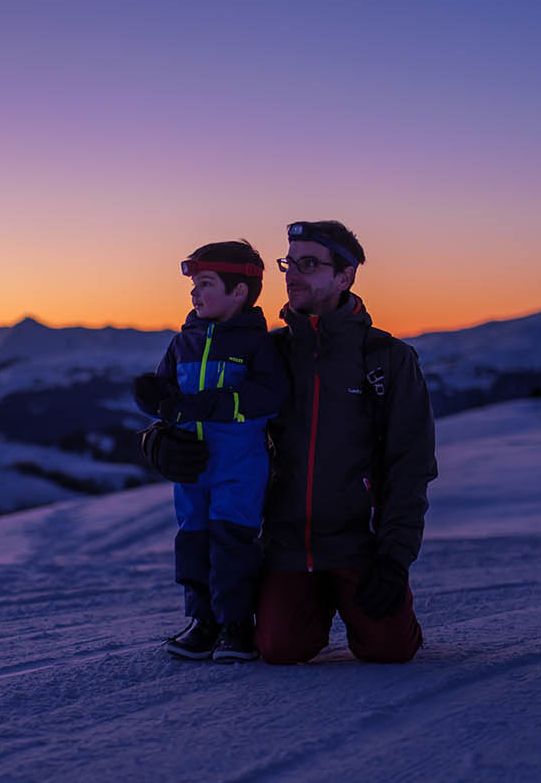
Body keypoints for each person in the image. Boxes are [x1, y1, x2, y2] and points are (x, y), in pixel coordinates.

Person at [140, 221, 437, 663]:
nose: (293, 274)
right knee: (280, 647)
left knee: (389, 648)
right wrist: (157, 442)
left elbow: (410, 465)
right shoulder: (267, 351)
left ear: (344, 276)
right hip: (285, 548)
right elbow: (203, 412)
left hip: (358, 545)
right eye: (289, 263)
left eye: (309, 264)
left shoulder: (386, 359)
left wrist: (394, 559)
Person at [133, 240, 288, 662]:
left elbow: (268, 397)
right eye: (194, 285)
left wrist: (200, 406)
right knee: (193, 541)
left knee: (231, 542)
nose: (194, 293)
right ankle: (203, 622)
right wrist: (152, 404)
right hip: (191, 464)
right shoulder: (182, 343)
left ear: (239, 292)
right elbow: (167, 399)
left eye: (205, 283)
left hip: (238, 466)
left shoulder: (257, 346)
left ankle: (236, 625)